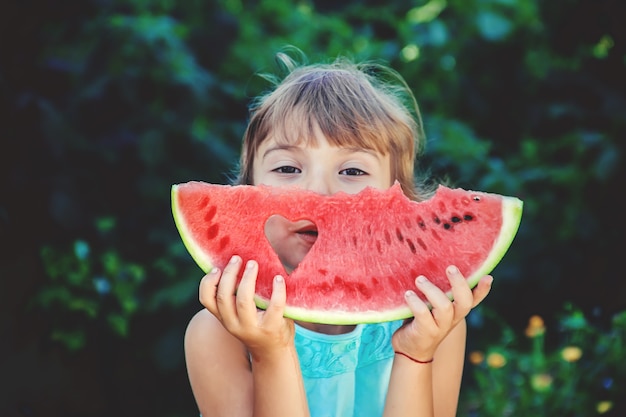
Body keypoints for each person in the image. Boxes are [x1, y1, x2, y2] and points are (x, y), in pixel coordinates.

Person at [184, 48, 493, 417]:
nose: (318, 193)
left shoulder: (432, 323)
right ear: (247, 192)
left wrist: (416, 355)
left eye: (352, 172)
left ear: (398, 205)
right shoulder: (218, 334)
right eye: (286, 168)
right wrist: (272, 354)